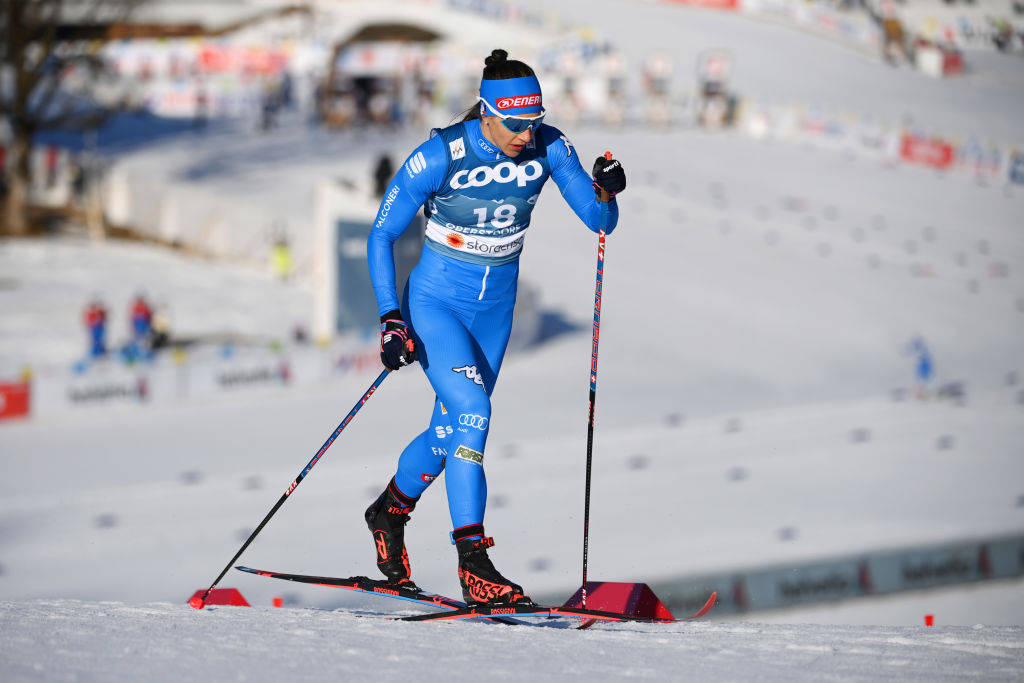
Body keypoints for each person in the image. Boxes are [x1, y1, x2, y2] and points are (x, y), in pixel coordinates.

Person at [364, 48, 627, 606]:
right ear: (486, 112)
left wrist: (607, 191)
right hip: (435, 304)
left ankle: (388, 512)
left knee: (451, 429)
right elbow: (381, 235)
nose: (524, 135)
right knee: (475, 413)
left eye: (533, 122)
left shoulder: (550, 146)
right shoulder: (442, 154)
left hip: (494, 312)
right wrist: (391, 317)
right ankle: (473, 564)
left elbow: (599, 220)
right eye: (514, 124)